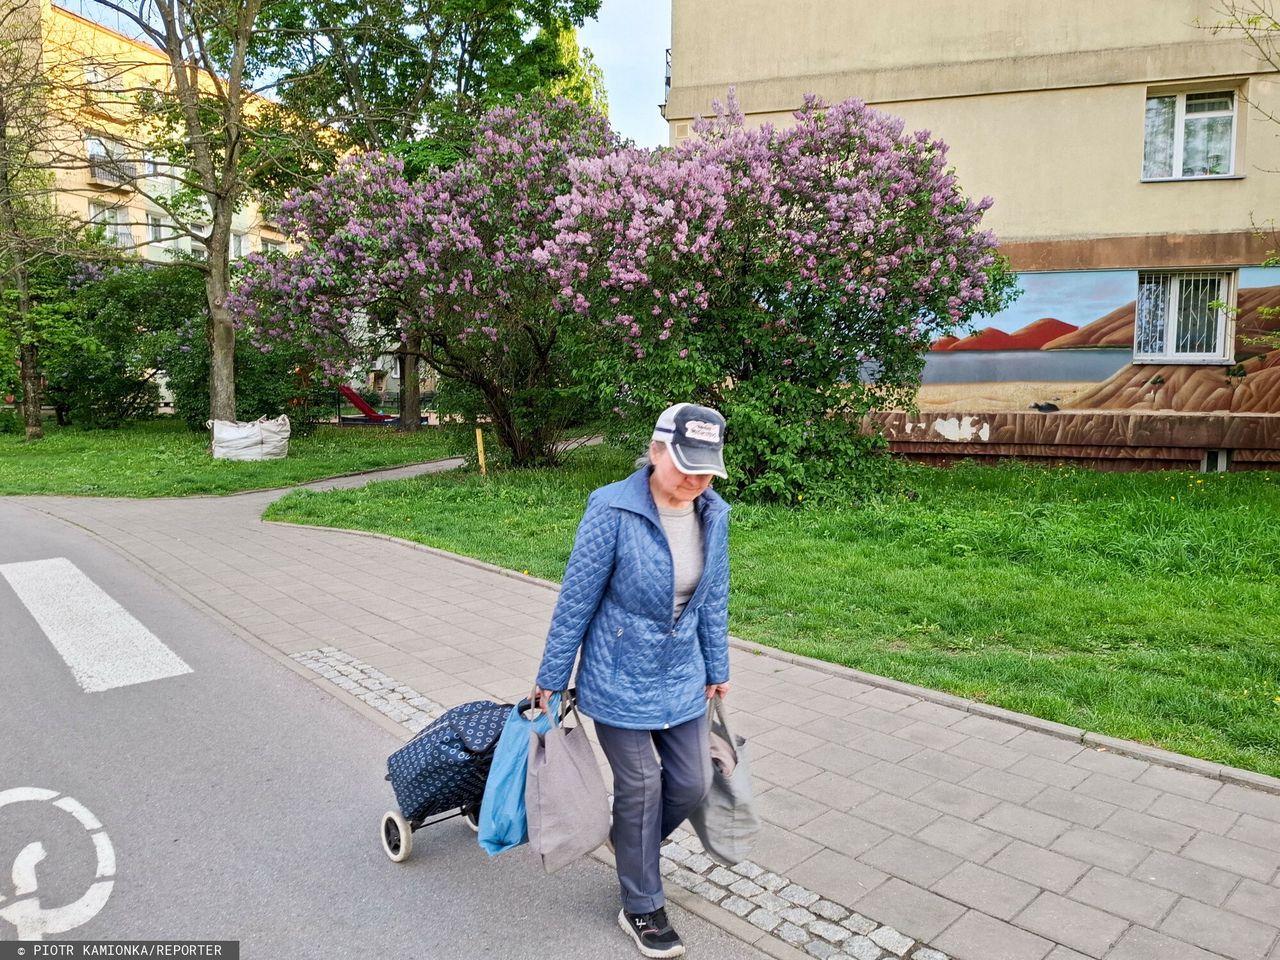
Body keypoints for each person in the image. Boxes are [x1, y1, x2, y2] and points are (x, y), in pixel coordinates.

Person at [533, 402, 732, 959]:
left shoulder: (715, 514)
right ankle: (642, 903)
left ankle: (631, 844)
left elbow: (713, 599)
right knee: (641, 785)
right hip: (617, 673)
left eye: (706, 468)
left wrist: (717, 669)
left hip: (683, 674)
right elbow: (577, 598)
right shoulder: (611, 509)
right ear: (655, 451)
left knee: (692, 783)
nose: (695, 479)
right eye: (685, 464)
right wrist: (552, 676)